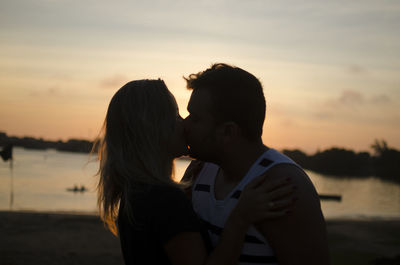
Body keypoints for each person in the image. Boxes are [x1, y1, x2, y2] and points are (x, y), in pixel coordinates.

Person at [95, 79, 295, 265]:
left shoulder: (136, 192)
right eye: (175, 115)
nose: (184, 123)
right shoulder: (165, 200)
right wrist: (240, 219)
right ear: (153, 131)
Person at [182, 63, 331, 265]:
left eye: (196, 118)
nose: (185, 124)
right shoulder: (198, 172)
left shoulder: (282, 187)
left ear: (228, 132)